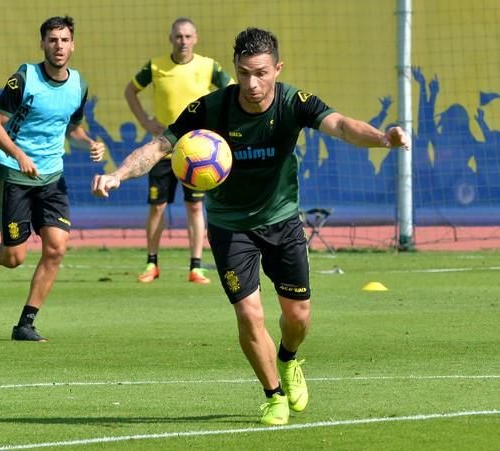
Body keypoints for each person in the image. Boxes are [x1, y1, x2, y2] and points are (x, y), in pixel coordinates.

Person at [93, 27, 410, 425]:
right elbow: (160, 146)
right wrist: (118, 174)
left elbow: (342, 126)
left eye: (260, 72)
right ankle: (273, 394)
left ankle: (289, 359)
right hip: (230, 227)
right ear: (235, 69)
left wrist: (383, 138)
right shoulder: (212, 108)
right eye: (243, 72)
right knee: (249, 313)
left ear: (277, 68)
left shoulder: (295, 102)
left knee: (298, 317)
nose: (252, 83)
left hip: (281, 221)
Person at [0, 16, 105, 342]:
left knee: (56, 249)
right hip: (15, 172)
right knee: (14, 258)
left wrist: (89, 142)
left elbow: (71, 126)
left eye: (64, 40)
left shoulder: (78, 85)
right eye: (53, 40)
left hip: (51, 176)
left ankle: (25, 324)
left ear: (73, 44)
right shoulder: (24, 79)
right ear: (43, 44)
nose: (59, 46)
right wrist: (20, 155)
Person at [124, 17, 233, 284]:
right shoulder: (155, 66)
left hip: (197, 155)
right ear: (170, 39)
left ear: (195, 39)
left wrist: (214, 128)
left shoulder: (209, 67)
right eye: (178, 36)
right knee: (157, 207)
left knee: (195, 208)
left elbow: (232, 93)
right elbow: (130, 91)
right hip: (163, 149)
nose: (183, 41)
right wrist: (145, 121)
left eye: (187, 36)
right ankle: (152, 264)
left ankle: (196, 267)